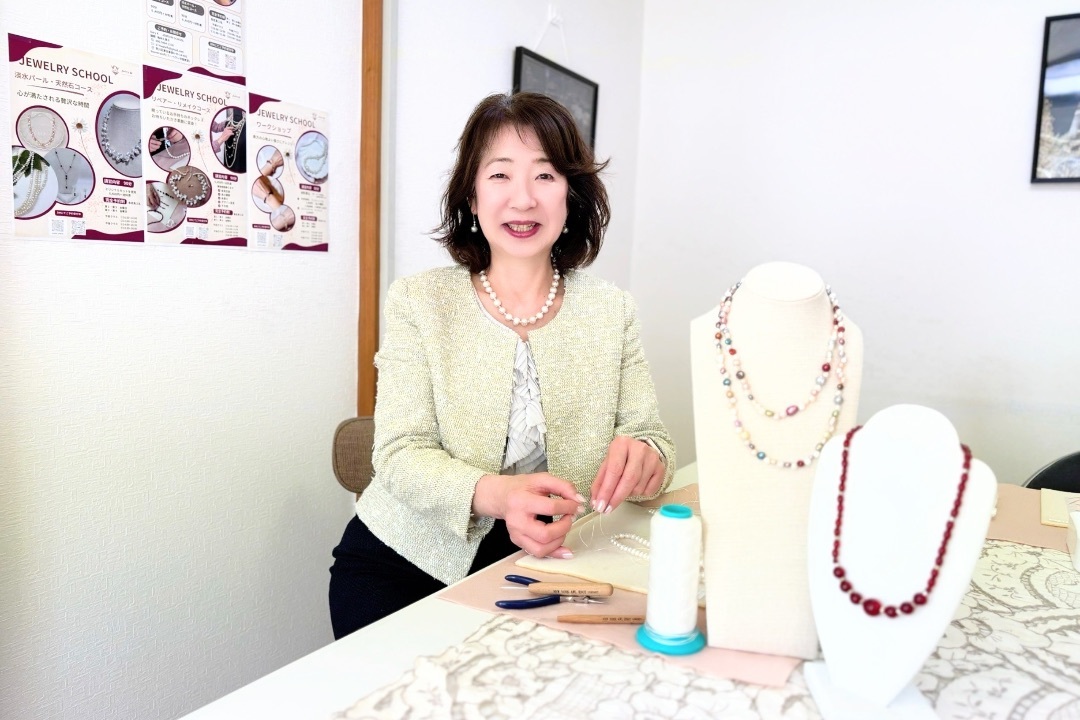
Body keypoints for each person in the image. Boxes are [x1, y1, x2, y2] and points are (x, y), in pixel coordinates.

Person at [328, 92, 676, 639]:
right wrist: (502, 496)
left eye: (545, 175)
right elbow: (398, 452)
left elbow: (652, 437)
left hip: (556, 565)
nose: (523, 198)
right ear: (471, 195)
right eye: (500, 175)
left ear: (570, 195)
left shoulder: (612, 310)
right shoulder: (419, 301)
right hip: (404, 561)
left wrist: (647, 459)